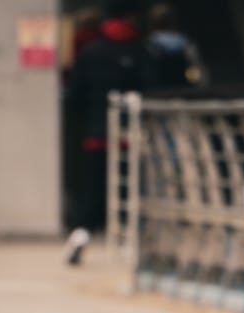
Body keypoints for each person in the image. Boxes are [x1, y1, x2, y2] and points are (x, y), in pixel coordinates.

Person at [65, 0, 155, 265]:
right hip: (130, 136)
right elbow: (152, 90)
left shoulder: (90, 51)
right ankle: (129, 245)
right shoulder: (141, 51)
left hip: (96, 134)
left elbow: (75, 94)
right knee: (130, 191)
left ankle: (81, 235)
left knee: (92, 190)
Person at [145, 2, 209, 91]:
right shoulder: (183, 40)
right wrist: (201, 84)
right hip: (183, 83)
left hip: (162, 85)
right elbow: (195, 63)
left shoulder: (151, 41)